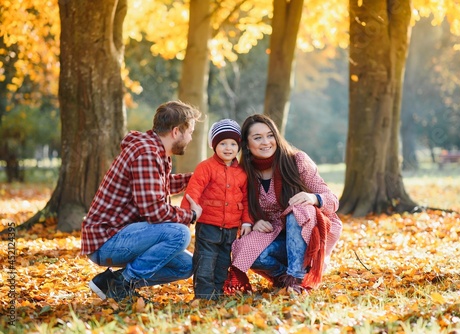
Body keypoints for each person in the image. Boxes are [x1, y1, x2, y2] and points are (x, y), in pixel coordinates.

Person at [81, 100, 203, 302]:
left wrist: (198, 178)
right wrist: (191, 215)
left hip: (122, 236)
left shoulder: (155, 152)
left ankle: (113, 283)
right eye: (189, 131)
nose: (190, 138)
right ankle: (124, 284)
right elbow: (155, 212)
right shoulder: (146, 153)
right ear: (175, 132)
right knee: (180, 234)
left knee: (186, 266)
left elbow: (157, 187)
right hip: (106, 241)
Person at [223, 114, 343, 294]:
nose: (266, 142)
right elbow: (237, 210)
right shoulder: (243, 173)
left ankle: (296, 279)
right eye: (258, 138)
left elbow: (332, 199)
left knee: (298, 210)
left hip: (308, 231)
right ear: (246, 145)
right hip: (275, 234)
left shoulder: (296, 161)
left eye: (270, 135)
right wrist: (253, 221)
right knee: (246, 251)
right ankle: (284, 278)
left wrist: (313, 198)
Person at [180, 119, 253, 300]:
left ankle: (218, 292)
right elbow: (193, 190)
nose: (228, 148)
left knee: (223, 262)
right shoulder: (206, 167)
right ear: (214, 146)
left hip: (230, 228)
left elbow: (246, 199)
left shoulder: (242, 172)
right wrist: (186, 215)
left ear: (239, 146)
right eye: (222, 143)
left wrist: (246, 221)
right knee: (205, 260)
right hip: (208, 225)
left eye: (233, 144)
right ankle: (204, 295)